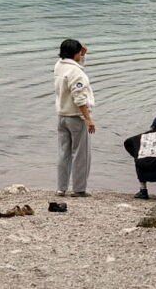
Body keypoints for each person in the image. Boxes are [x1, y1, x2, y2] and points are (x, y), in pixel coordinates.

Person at [54, 38, 95, 197]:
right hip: (76, 118)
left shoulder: (59, 65)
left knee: (64, 152)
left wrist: (82, 56)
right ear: (75, 54)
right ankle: (79, 189)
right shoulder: (76, 72)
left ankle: (61, 188)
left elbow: (75, 67)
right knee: (81, 154)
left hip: (62, 116)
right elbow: (79, 98)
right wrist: (88, 119)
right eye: (79, 53)